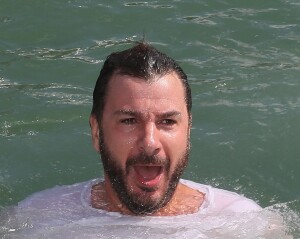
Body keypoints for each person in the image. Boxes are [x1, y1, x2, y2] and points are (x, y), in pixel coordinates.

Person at [19, 42, 261, 215]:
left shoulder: (240, 223)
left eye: (167, 122)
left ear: (188, 131)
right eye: (128, 121)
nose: (150, 142)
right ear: (96, 132)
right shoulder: (38, 217)